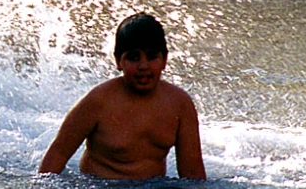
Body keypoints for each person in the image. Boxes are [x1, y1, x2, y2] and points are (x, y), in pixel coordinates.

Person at [38, 13, 206, 180]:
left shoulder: (179, 105)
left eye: (152, 57)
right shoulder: (98, 102)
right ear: (118, 61)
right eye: (133, 58)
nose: (143, 66)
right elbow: (56, 156)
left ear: (164, 60)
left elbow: (193, 175)